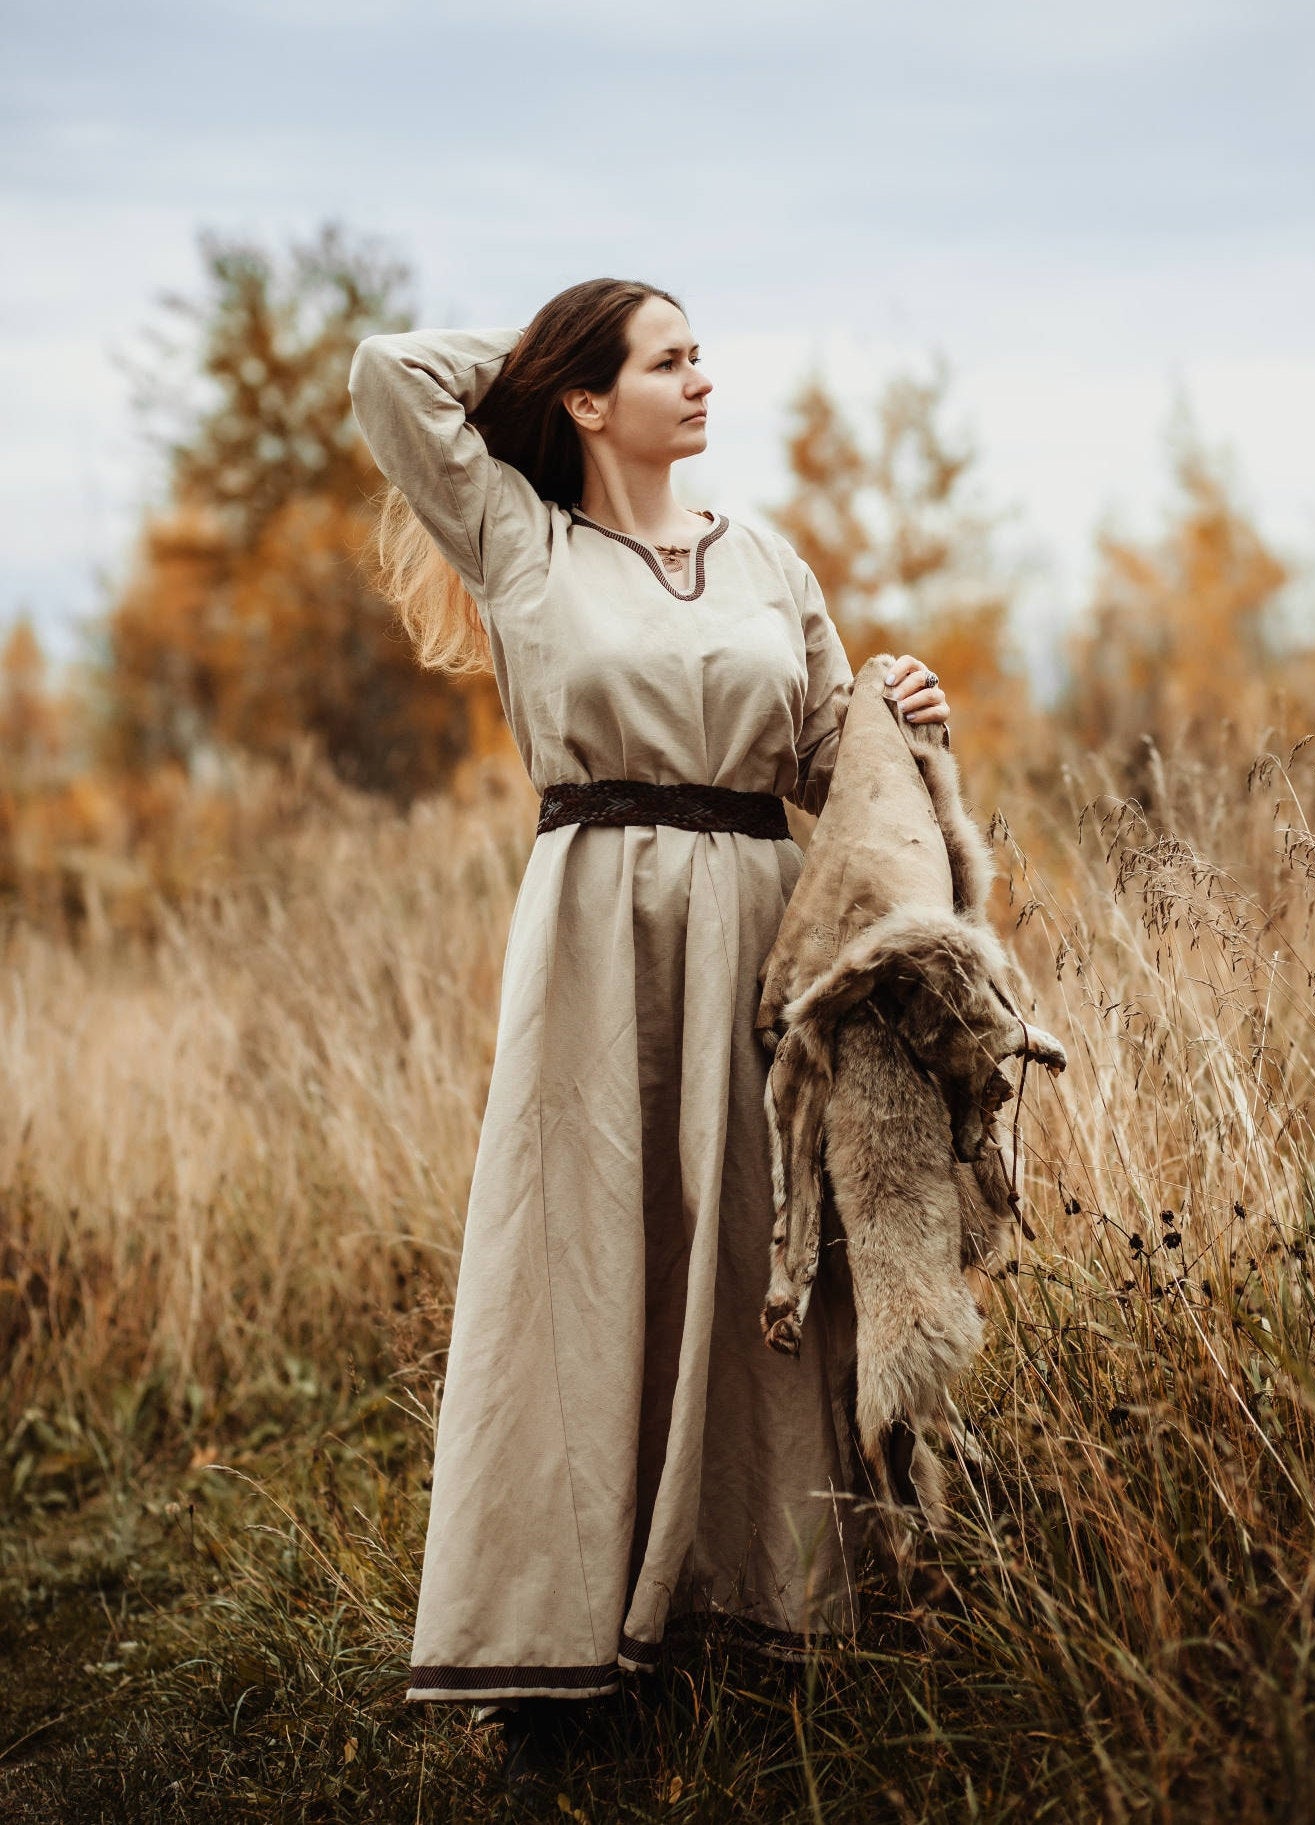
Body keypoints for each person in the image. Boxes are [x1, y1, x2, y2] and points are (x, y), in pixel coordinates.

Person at [347, 277, 951, 1767]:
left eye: (701, 356)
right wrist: (554, 350)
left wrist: (903, 717)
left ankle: (763, 1609)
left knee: (754, 1250)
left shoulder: (761, 558)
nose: (700, 379)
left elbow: (824, 754)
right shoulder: (518, 539)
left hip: (757, 925)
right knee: (587, 1250)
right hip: (594, 935)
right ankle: (564, 1641)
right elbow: (387, 372)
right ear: (583, 395)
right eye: (667, 359)